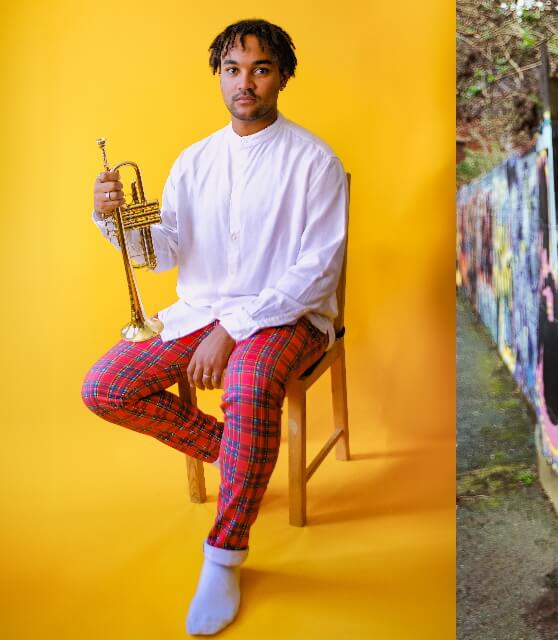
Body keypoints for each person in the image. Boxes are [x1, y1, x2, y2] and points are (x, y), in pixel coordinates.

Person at [81, 19, 347, 636]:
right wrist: (111, 219)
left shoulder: (315, 160)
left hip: (288, 316)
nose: (245, 82)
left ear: (282, 76)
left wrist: (232, 329)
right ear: (219, 77)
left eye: (259, 68)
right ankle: (243, 453)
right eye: (232, 69)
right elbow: (164, 251)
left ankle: (225, 554)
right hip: (199, 313)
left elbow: (316, 270)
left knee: (249, 389)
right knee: (105, 388)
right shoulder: (193, 160)